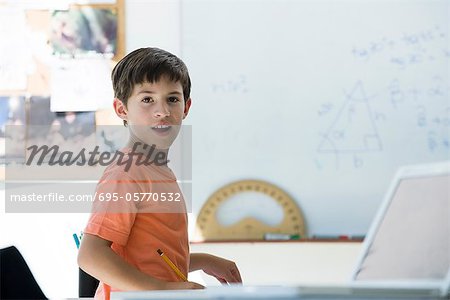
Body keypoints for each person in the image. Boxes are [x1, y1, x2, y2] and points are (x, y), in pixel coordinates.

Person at [77, 47, 242, 300]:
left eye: (172, 99)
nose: (162, 111)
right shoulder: (126, 173)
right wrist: (162, 289)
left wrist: (205, 260)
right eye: (147, 99)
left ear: (186, 107)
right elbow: (90, 255)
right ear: (121, 109)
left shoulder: (157, 170)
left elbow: (152, 258)